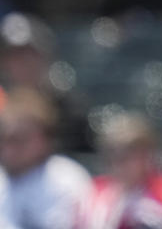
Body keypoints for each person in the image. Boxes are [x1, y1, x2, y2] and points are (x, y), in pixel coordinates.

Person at [0, 87, 93, 229]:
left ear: (45, 139)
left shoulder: (68, 180)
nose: (9, 148)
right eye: (4, 138)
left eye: (19, 139)